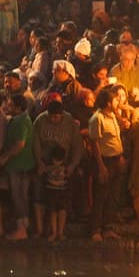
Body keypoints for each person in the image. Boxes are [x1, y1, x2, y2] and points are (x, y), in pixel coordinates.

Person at [31, 98, 83, 239]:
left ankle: (59, 231)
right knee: (39, 197)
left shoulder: (70, 122)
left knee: (61, 202)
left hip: (63, 168)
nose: (54, 119)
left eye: (57, 117)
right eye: (52, 116)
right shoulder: (40, 121)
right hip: (45, 165)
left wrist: (72, 165)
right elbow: (35, 143)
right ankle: (40, 229)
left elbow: (77, 145)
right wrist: (39, 163)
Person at [88, 87, 124, 241]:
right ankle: (95, 229)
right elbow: (94, 143)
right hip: (104, 161)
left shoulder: (113, 116)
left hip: (116, 160)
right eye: (116, 99)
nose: (118, 101)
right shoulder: (97, 118)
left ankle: (108, 227)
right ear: (108, 103)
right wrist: (101, 166)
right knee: (101, 195)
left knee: (113, 195)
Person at [0, 93, 35, 240]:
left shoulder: (21, 121)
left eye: (11, 104)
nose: (8, 106)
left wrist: (5, 156)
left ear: (18, 107)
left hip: (19, 165)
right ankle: (23, 226)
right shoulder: (18, 119)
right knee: (20, 196)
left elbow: (19, 145)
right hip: (18, 164)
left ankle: (22, 229)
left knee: (19, 196)